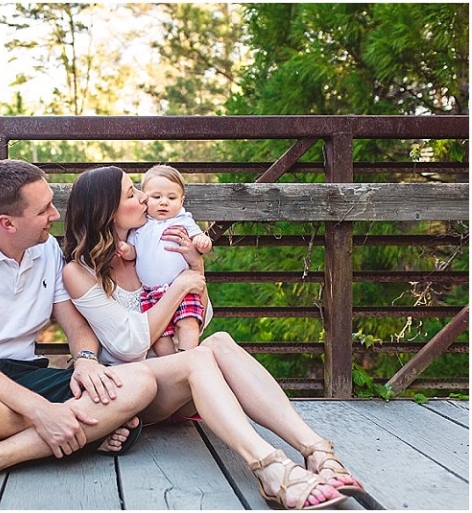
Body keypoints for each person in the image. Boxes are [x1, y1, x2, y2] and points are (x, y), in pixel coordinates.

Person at [62, 165, 365, 510]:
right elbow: (128, 346)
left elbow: (202, 316)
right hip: (135, 392)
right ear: (106, 211)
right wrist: (179, 287)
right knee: (197, 357)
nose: (145, 197)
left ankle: (316, 449)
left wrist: (196, 269)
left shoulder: (147, 246)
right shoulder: (78, 270)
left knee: (218, 340)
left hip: (179, 378)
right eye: (132, 193)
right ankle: (269, 467)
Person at [0, 159, 157, 498]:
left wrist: (85, 360)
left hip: (25, 376)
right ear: (7, 223)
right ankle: (84, 434)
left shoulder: (47, 248)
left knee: (140, 381)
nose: (55, 215)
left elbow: (74, 323)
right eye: (43, 210)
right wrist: (42, 412)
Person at [117, 164, 213, 356]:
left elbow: (200, 238)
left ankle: (187, 357)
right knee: (159, 337)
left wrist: (203, 242)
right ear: (144, 198)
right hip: (151, 292)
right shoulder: (140, 226)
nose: (164, 203)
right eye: (156, 197)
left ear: (181, 200)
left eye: (171, 198)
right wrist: (125, 249)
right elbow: (134, 252)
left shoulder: (183, 220)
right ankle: (171, 365)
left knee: (189, 324)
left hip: (181, 287)